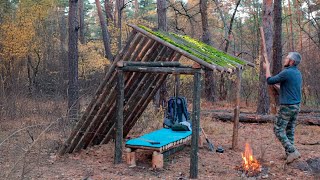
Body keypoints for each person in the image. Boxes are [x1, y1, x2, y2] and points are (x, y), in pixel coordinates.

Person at [263, 52, 302, 163]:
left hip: (287, 107)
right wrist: (275, 87)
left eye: (287, 58)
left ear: (292, 62)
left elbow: (269, 80)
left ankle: (292, 151)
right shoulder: (297, 73)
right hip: (296, 106)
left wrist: (267, 68)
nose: (285, 60)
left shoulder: (287, 72)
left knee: (278, 130)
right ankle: (289, 154)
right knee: (290, 131)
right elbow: (286, 88)